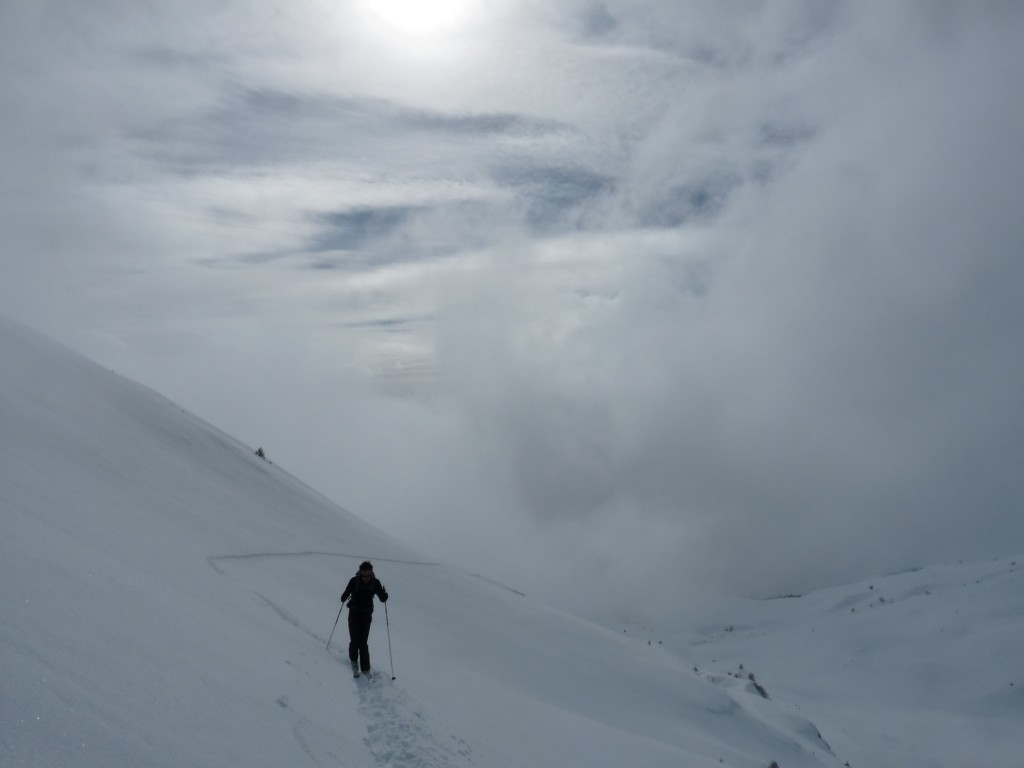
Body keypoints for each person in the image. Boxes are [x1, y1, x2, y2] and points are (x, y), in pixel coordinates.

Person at [340, 561, 389, 676]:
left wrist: (385, 595)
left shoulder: (375, 583)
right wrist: (344, 596)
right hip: (354, 613)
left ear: (372, 573)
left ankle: (365, 668)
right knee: (355, 640)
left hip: (366, 615)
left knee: (363, 642)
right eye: (364, 575)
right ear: (360, 573)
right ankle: (353, 661)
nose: (366, 578)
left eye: (369, 575)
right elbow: (344, 596)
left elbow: (382, 598)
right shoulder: (354, 581)